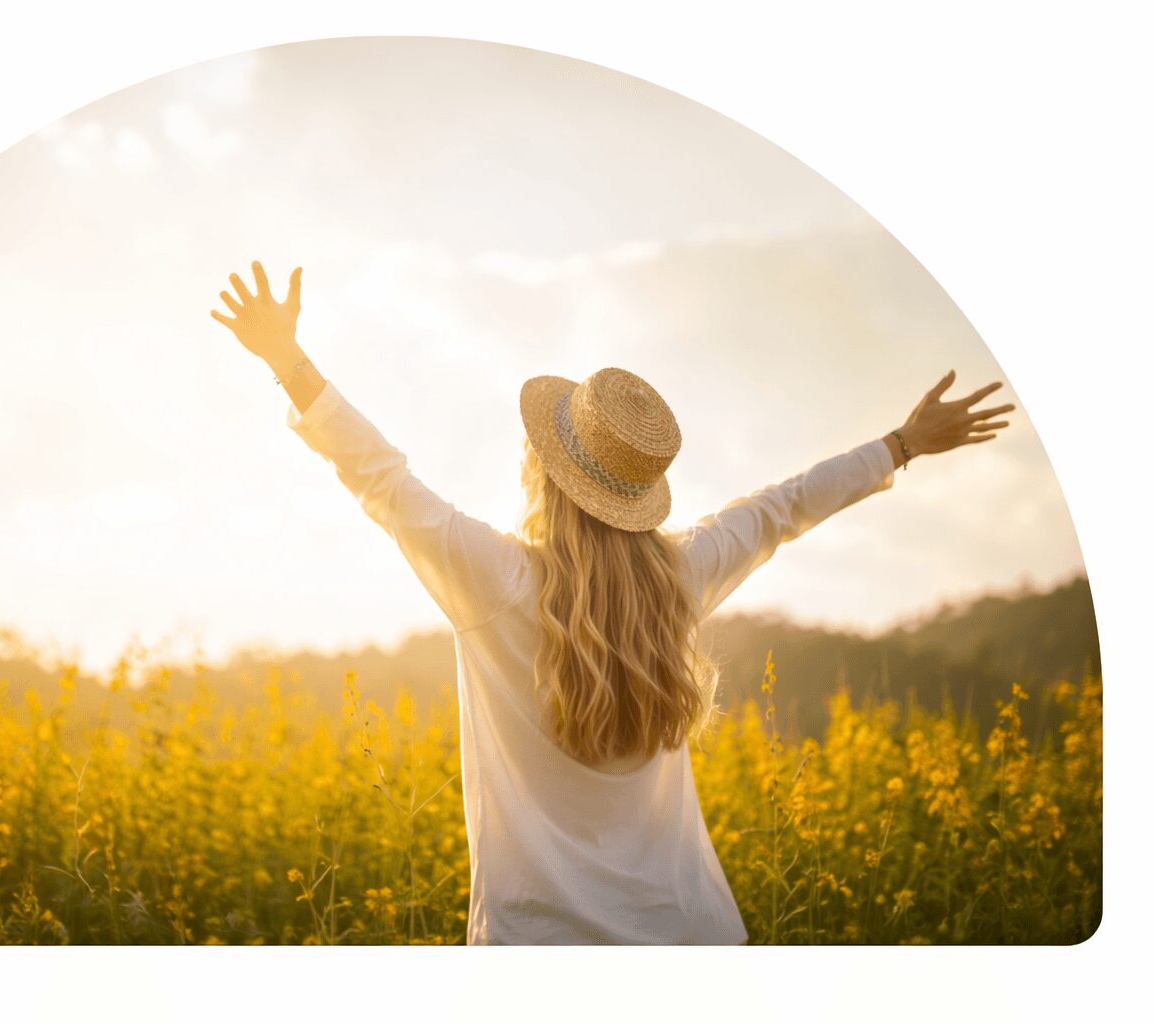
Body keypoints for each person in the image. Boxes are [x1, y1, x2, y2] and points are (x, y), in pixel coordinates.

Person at [209, 260, 1015, 945]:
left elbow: (381, 477)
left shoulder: (494, 580)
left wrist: (288, 359)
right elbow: (785, 507)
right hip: (695, 941)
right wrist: (902, 444)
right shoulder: (680, 577)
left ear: (542, 472)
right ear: (638, 491)